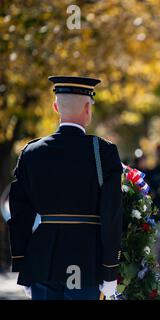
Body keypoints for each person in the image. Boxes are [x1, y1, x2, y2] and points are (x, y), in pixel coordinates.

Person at [8, 76, 123, 300]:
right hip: (85, 259)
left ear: (55, 107)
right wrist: (110, 269)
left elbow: (19, 214)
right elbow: (112, 214)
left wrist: (23, 266)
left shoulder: (32, 151)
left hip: (42, 260)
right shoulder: (103, 151)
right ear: (88, 108)